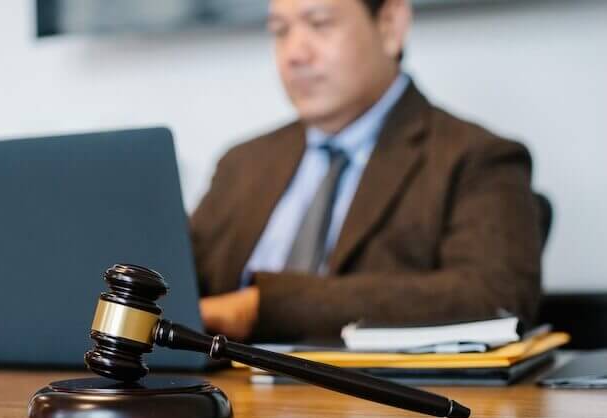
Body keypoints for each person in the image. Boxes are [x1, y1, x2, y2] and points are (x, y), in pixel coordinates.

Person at [191, 0, 542, 342]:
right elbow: (175, 282)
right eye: (280, 31)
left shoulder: (476, 157)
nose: (294, 54)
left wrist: (263, 306)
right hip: (218, 393)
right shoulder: (242, 163)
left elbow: (494, 296)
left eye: (320, 23)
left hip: (373, 398)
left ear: (390, 25)